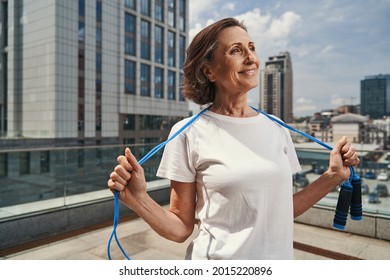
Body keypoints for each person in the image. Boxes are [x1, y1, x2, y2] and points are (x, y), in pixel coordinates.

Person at [107, 18, 360, 260]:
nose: (251, 57)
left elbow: (281, 211)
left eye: (251, 48)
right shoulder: (187, 132)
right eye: (236, 50)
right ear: (209, 71)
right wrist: (139, 199)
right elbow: (180, 228)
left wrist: (333, 177)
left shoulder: (278, 128)